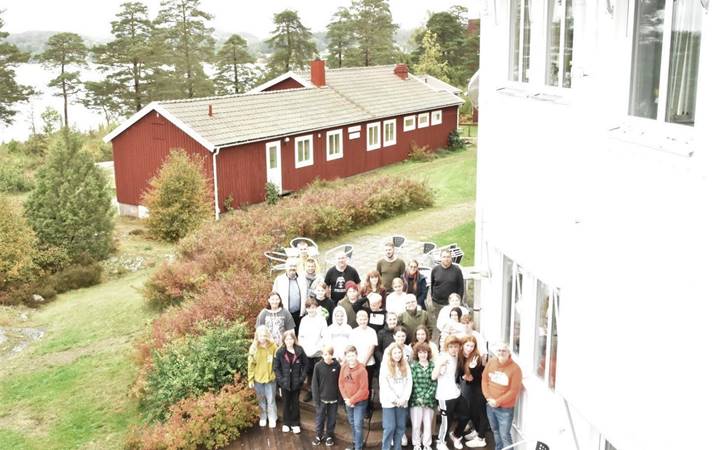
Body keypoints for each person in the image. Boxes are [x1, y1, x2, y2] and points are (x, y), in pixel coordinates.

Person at [482, 343, 523, 450]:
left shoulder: (515, 369)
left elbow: (514, 391)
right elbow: (484, 380)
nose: (501, 352)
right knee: (495, 431)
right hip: (490, 405)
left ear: (509, 353)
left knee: (505, 435)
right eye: (499, 350)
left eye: (504, 350)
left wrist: (498, 401)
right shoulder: (491, 362)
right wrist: (488, 397)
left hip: (505, 409)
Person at [453, 335, 488, 448]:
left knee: (480, 412)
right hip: (468, 386)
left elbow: (478, 377)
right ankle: (477, 431)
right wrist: (462, 378)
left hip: (478, 387)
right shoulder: (461, 355)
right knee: (472, 411)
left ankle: (481, 437)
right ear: (462, 345)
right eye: (467, 345)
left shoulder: (475, 357)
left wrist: (472, 369)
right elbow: (460, 372)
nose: (469, 348)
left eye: (472, 346)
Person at [273, 330, 308, 434]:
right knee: (286, 403)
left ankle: (295, 423)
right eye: (287, 339)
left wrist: (301, 378)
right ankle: (286, 423)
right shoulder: (280, 351)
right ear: (284, 340)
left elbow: (306, 365)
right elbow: (276, 368)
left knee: (295, 403)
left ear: (294, 339)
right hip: (285, 383)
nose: (289, 341)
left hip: (296, 382)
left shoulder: (299, 350)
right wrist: (281, 380)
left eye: (291, 338)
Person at [379, 342, 413, 450]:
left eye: (399, 352)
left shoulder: (405, 365)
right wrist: (395, 399)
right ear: (390, 354)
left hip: (402, 402)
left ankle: (397, 448)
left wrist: (404, 398)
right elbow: (384, 385)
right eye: (395, 353)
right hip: (389, 402)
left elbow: (409, 382)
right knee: (389, 428)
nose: (397, 355)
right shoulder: (385, 366)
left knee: (400, 427)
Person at [433, 335, 463, 450]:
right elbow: (433, 376)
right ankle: (441, 442)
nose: (453, 349)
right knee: (447, 419)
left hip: (456, 393)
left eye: (456, 346)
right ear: (447, 347)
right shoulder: (443, 358)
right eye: (451, 346)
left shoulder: (457, 357)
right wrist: (440, 365)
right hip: (444, 395)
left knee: (465, 413)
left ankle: (455, 435)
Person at [339, 345, 369, 450]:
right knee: (352, 423)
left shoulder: (362, 370)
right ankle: (356, 442)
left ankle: (358, 447)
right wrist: (346, 399)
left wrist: (351, 400)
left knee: (357, 425)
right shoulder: (344, 367)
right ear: (346, 357)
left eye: (353, 356)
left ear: (356, 355)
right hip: (348, 401)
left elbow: (363, 389)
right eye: (348, 356)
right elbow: (341, 383)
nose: (351, 358)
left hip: (360, 402)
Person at [248, 325, 278, 428]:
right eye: (260, 336)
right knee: (261, 399)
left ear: (267, 335)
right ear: (257, 336)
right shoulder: (253, 348)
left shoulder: (273, 346)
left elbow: (277, 361)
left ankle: (272, 418)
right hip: (258, 378)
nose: (262, 338)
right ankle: (263, 417)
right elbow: (251, 364)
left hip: (270, 378)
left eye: (264, 335)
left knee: (271, 399)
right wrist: (250, 379)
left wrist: (275, 373)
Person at [299, 297, 328, 402]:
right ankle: (310, 391)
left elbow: (324, 336)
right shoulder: (304, 320)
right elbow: (301, 337)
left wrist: (318, 348)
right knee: (309, 373)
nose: (311, 310)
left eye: (313, 307)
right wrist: (303, 349)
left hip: (318, 351)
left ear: (316, 307)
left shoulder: (321, 320)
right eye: (308, 308)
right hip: (306, 351)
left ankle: (319, 393)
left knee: (319, 373)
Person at [409, 342, 437, 450]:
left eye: (425, 352)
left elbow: (434, 383)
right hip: (416, 400)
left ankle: (426, 444)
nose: (423, 355)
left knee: (428, 424)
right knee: (416, 424)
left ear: (428, 353)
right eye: (420, 352)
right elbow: (413, 383)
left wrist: (426, 397)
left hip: (429, 401)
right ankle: (416, 444)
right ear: (417, 354)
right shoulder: (413, 366)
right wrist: (421, 397)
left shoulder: (432, 366)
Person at [311, 345, 341, 447]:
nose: (327, 356)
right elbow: (314, 384)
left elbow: (339, 383)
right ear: (322, 355)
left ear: (332, 355)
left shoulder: (337, 366)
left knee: (332, 419)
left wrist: (339, 398)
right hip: (322, 399)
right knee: (320, 419)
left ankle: (329, 436)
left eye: (329, 354)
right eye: (325, 354)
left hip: (333, 399)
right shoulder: (318, 366)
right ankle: (318, 435)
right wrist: (316, 399)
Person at [350, 310, 378, 414]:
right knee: (356, 385)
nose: (363, 321)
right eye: (360, 319)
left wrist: (364, 363)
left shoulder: (372, 331)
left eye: (365, 319)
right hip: (355, 363)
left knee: (367, 386)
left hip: (368, 363)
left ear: (368, 319)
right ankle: (356, 404)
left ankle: (366, 408)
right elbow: (352, 348)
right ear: (357, 320)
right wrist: (356, 363)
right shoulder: (353, 332)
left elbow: (372, 348)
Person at [272, 259, 307, 331]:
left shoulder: (302, 279)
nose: (292, 268)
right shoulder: (279, 280)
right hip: (285, 314)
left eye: (294, 266)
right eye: (290, 266)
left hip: (299, 313)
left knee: (298, 334)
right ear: (286, 267)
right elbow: (274, 296)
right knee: (287, 336)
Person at [430, 249, 465, 318]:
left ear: (451, 258)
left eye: (448, 257)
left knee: (453, 322)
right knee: (440, 322)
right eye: (444, 257)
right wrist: (432, 297)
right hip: (437, 303)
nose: (446, 259)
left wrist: (458, 301)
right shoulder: (435, 270)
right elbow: (432, 284)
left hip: (452, 303)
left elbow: (461, 287)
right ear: (440, 258)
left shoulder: (457, 270)